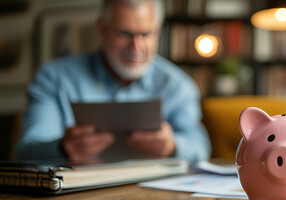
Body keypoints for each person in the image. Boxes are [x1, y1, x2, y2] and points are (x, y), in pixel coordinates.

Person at [16, 0, 211, 164]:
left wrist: (172, 145)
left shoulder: (177, 85)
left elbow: (200, 147)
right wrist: (62, 148)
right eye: (124, 34)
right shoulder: (53, 78)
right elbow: (26, 152)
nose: (136, 47)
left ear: (158, 32)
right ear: (102, 29)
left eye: (145, 34)